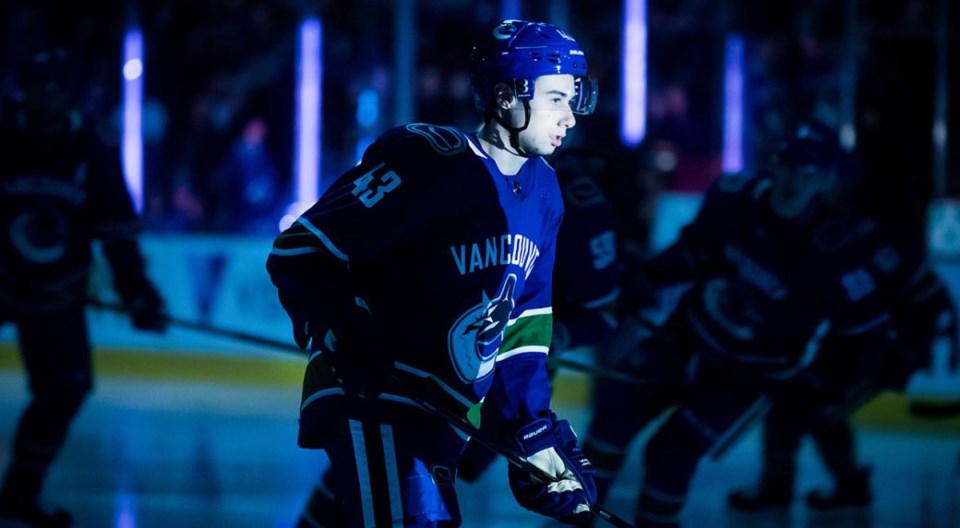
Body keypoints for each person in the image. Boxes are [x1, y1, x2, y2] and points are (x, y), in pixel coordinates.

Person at [267, 20, 599, 527]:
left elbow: (522, 331)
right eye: (556, 98)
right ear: (507, 96)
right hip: (375, 394)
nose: (570, 117)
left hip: (445, 415)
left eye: (574, 99)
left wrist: (535, 434)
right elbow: (303, 250)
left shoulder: (546, 194)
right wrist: (349, 327)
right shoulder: (430, 159)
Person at [578, 122, 921, 527]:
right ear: (775, 165)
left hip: (748, 374)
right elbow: (693, 254)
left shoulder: (836, 249)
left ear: (827, 179)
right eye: (790, 165)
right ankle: (578, 515)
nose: (796, 179)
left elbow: (864, 332)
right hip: (689, 337)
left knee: (674, 451)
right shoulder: (734, 198)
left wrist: (832, 383)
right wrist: (640, 284)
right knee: (615, 414)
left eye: (810, 171)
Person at [0, 48, 168, 527]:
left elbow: (116, 226)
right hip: (6, 280)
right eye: (38, 91)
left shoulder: (91, 147)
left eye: (55, 92)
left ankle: (19, 494)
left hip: (57, 290)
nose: (46, 103)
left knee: (66, 389)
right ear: (23, 92)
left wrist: (136, 289)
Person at [726, 251, 958, 512]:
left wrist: (906, 354)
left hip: (876, 351)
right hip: (853, 346)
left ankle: (809, 484)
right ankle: (831, 484)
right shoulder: (848, 238)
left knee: (817, 407)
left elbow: (929, 297)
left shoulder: (879, 240)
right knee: (806, 404)